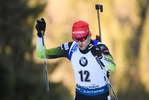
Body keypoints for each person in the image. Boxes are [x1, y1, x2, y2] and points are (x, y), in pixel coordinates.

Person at [35, 18, 116, 100]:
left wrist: (101, 56)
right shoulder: (71, 48)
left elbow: (112, 66)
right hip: (80, 96)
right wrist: (40, 36)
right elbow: (42, 54)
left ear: (89, 35)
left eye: (83, 39)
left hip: (100, 96)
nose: (80, 43)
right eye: (76, 39)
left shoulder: (99, 47)